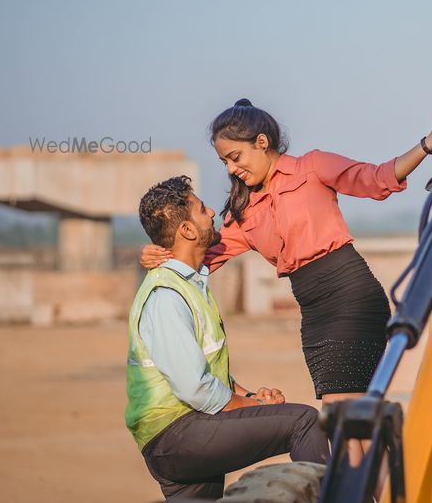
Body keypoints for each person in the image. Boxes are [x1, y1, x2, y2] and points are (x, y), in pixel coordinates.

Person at [141, 99, 432, 455]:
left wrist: (429, 142)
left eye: (235, 157)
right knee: (349, 427)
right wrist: (157, 254)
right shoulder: (243, 212)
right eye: (224, 162)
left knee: (343, 420)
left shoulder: (313, 167)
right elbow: (199, 255)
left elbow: (378, 177)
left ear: (261, 142)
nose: (231, 168)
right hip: (315, 317)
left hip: (351, 297)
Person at [127, 175, 330, 501]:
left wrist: (249, 395)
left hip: (182, 434)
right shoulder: (166, 294)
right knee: (304, 421)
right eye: (201, 208)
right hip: (178, 433)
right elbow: (195, 388)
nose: (211, 213)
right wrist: (250, 405)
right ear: (187, 231)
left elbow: (207, 371)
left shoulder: (191, 284)